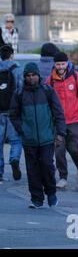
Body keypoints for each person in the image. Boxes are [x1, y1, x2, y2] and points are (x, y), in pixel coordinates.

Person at [9, 63, 66, 208]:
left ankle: (51, 194)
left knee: (47, 165)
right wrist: (22, 129)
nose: (31, 78)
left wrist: (60, 133)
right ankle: (36, 199)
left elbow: (58, 113)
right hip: (29, 140)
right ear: (25, 77)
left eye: (33, 75)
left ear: (38, 75)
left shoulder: (48, 91)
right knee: (32, 170)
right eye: (28, 76)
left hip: (47, 137)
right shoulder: (19, 93)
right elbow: (13, 115)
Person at [46, 52, 78, 189]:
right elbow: (47, 101)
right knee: (59, 151)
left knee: (74, 148)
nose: (60, 66)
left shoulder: (77, 77)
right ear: (54, 64)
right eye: (58, 64)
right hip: (57, 122)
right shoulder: (50, 81)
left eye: (63, 64)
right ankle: (63, 177)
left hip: (75, 120)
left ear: (67, 63)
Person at [0, 45, 22, 182]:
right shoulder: (17, 69)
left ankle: (0, 172)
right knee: (15, 140)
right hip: (13, 111)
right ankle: (14, 159)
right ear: (12, 55)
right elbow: (21, 89)